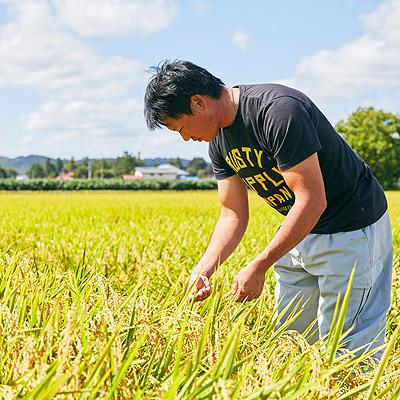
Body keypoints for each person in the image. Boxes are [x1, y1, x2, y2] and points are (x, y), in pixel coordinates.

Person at [144, 60, 393, 358]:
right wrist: (204, 269)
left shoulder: (278, 111)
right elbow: (232, 213)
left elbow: (312, 200)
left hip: (350, 229)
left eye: (180, 127)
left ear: (198, 103)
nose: (185, 137)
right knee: (292, 344)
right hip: (299, 231)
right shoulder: (218, 142)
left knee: (350, 350)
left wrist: (259, 265)